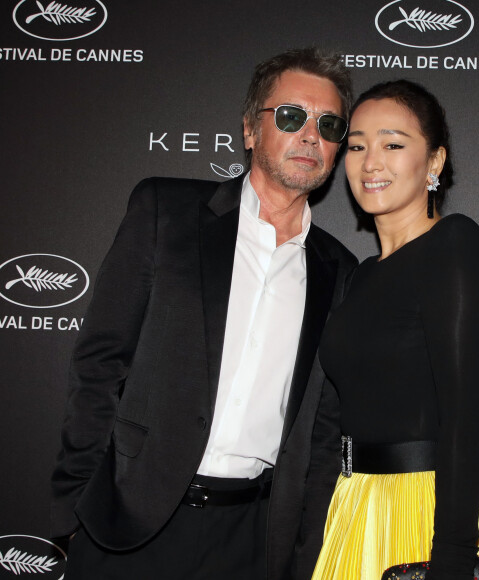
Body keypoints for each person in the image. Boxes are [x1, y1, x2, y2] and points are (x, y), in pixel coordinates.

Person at [50, 47, 357, 580]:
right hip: (128, 526)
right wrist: (77, 504)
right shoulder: (165, 212)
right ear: (249, 129)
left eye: (328, 124)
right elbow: (100, 363)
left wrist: (304, 554)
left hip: (252, 541)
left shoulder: (340, 270)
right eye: (291, 116)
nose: (311, 135)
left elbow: (324, 434)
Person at [311, 80, 479, 580]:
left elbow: (461, 420)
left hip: (423, 517)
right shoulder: (358, 275)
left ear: (434, 163)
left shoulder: (453, 243)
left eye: (393, 144)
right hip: (353, 510)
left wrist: (450, 558)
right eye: (357, 145)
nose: (370, 162)